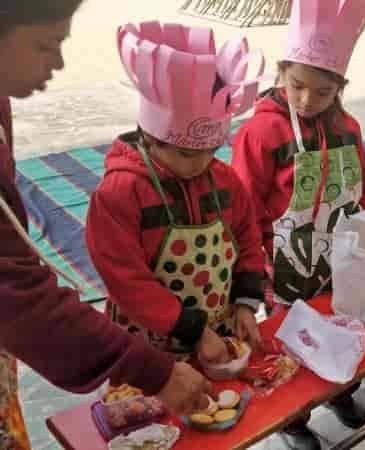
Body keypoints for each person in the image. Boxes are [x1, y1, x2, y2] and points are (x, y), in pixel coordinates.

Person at [0, 4, 211, 448]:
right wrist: (154, 368)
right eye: (45, 45)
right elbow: (15, 292)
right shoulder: (120, 192)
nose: (58, 63)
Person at [85, 21, 267, 368]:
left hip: (218, 331)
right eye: (185, 154)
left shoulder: (225, 180)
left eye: (211, 151)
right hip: (148, 344)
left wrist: (245, 302)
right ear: (150, 138)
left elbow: (247, 240)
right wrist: (193, 331)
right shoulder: (119, 195)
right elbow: (126, 279)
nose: (200, 164)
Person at [231, 1, 365, 448]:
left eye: (323, 92)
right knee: (292, 343)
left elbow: (361, 190)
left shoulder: (349, 129)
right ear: (282, 74)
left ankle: (339, 391)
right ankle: (294, 418)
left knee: (339, 330)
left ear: (340, 88)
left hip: (338, 261)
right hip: (282, 266)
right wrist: (251, 267)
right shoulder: (261, 133)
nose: (308, 101)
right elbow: (242, 207)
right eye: (297, 86)